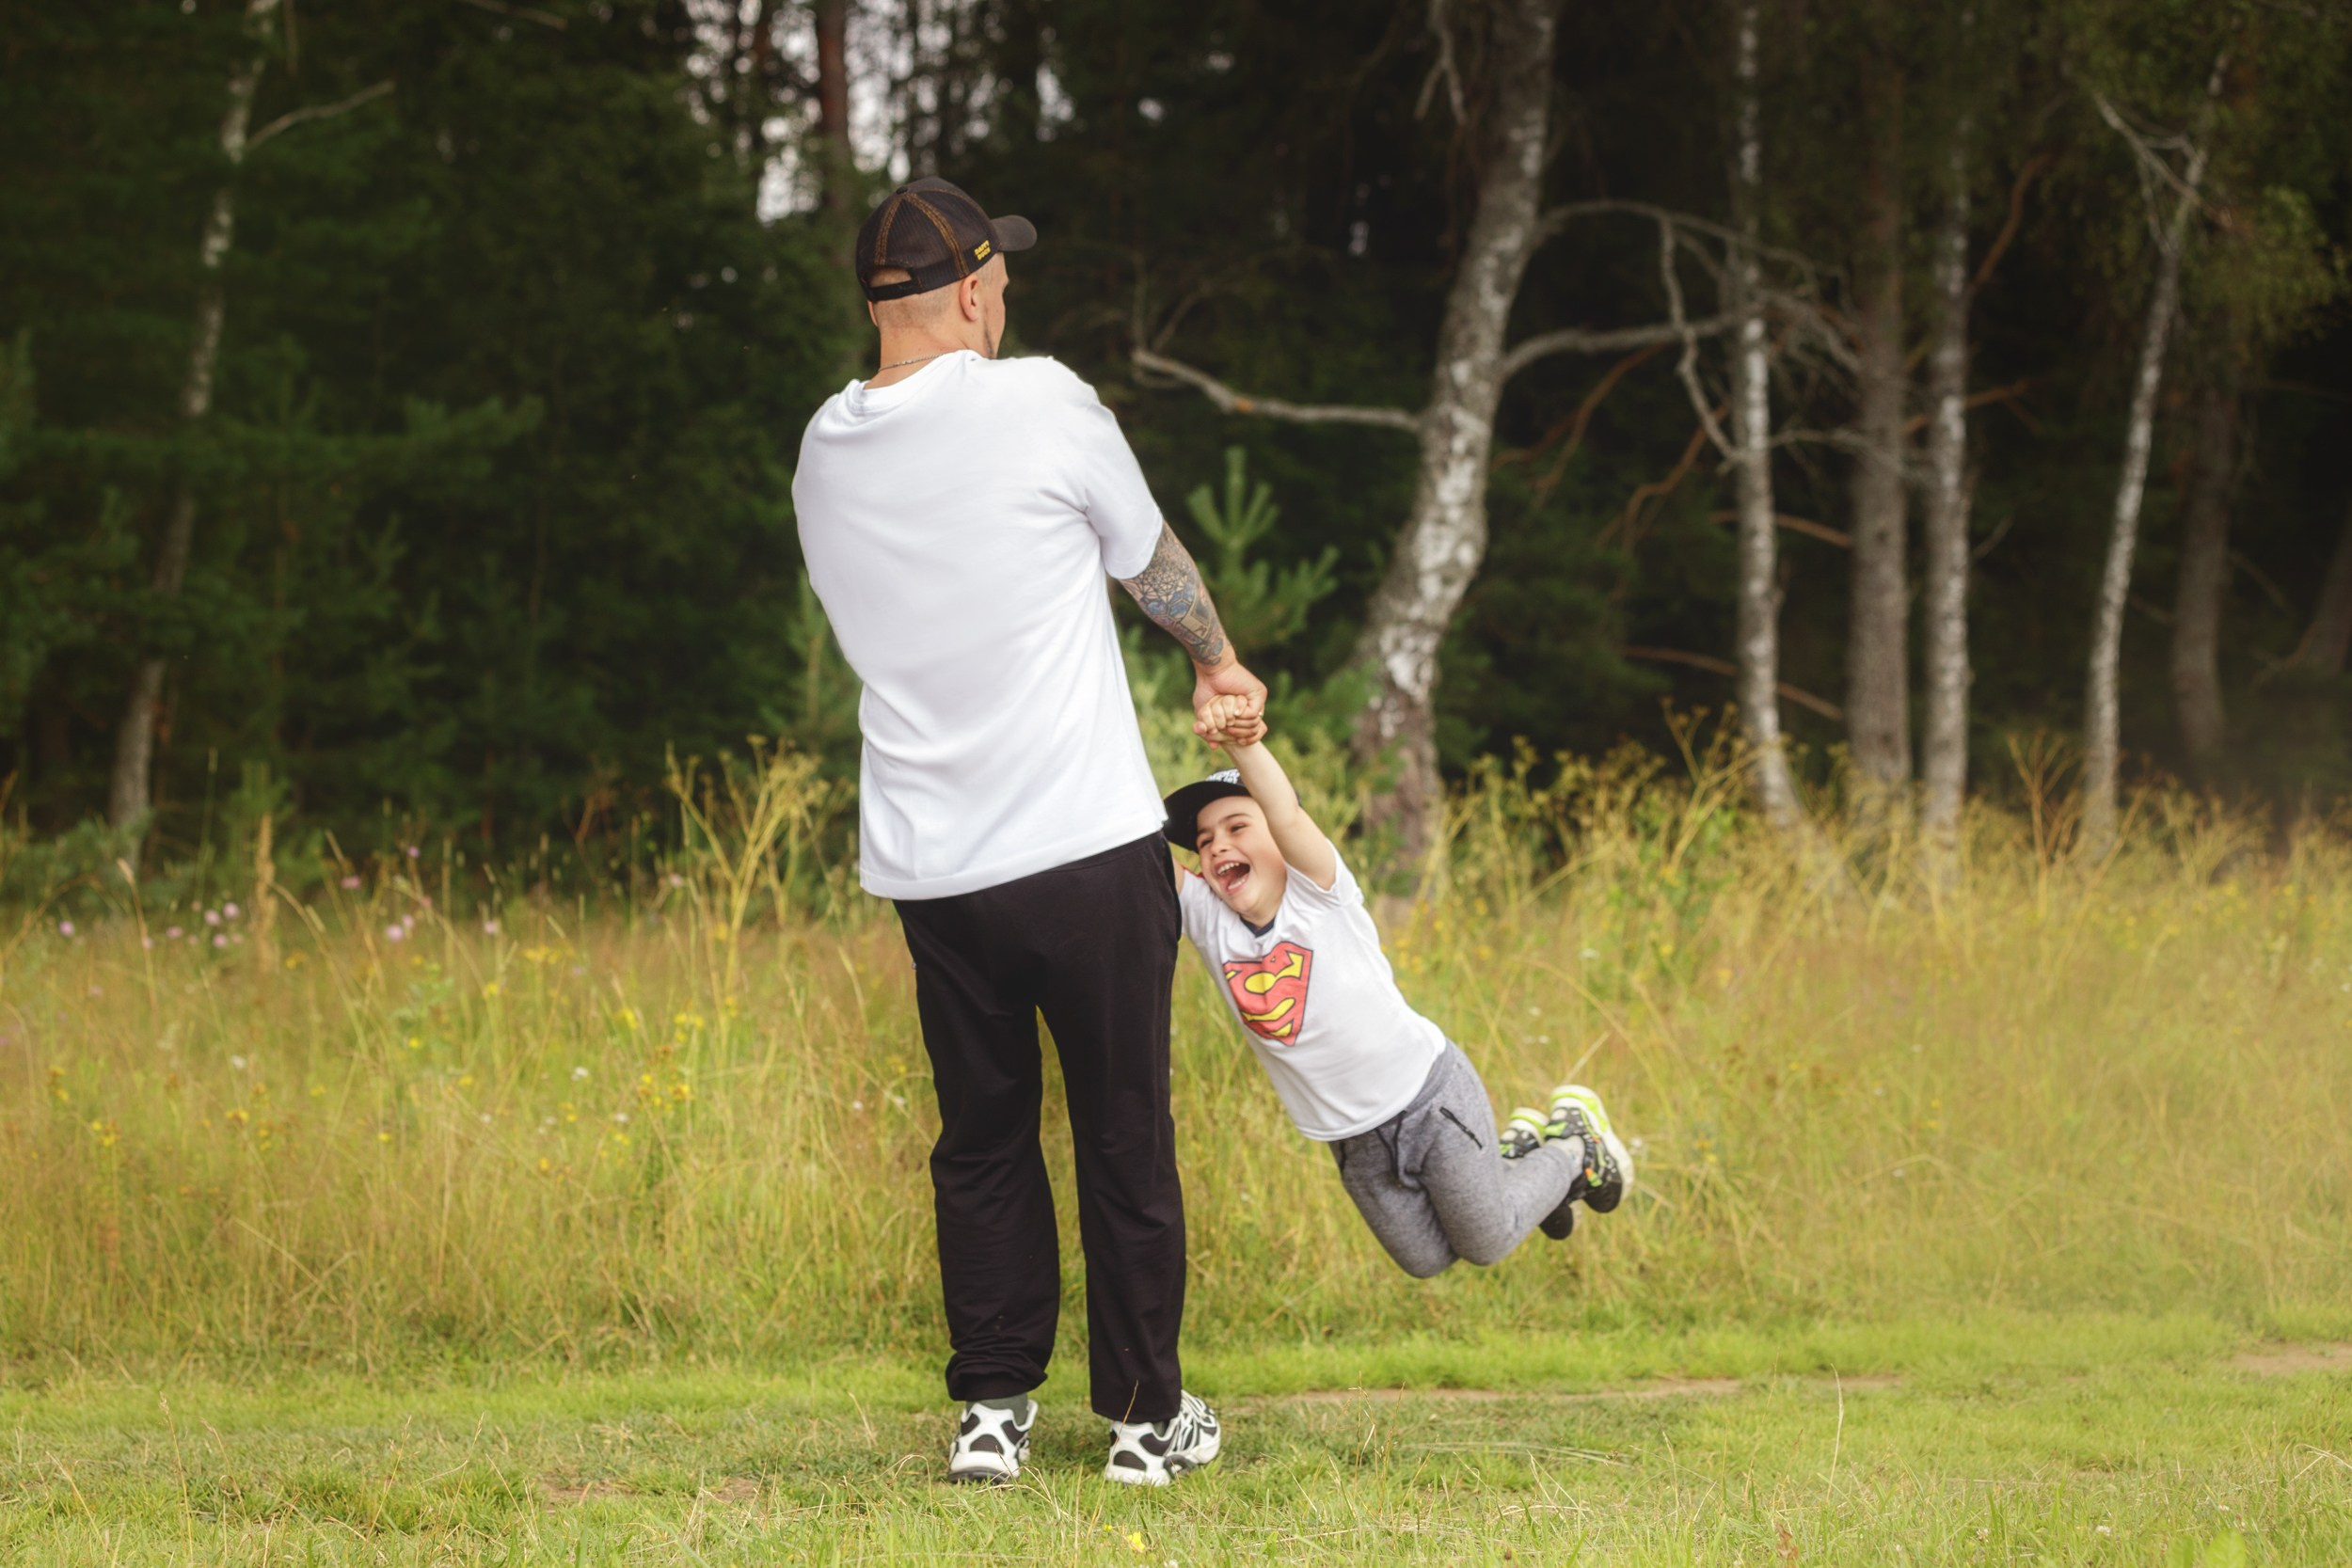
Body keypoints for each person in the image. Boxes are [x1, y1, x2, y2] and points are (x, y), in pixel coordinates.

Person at [792, 178, 1262, 1487]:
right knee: (1124, 1127)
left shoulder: (826, 446)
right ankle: (1142, 1419)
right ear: (971, 289)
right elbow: (1148, 553)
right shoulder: (1042, 398)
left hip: (937, 868)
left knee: (981, 1134)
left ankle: (992, 1410)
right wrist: (1216, 659)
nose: (1009, 303)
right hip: (1082, 842)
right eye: (1002, 283)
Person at [1168, 699, 1633, 1279]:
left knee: (1487, 1242)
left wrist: (1241, 741)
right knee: (1427, 1260)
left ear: (1283, 843)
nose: (1216, 847)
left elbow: (1284, 812)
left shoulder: (1318, 893)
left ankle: (1573, 1149)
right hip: (1352, 1140)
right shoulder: (1211, 923)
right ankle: (1514, 1155)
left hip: (1429, 1101)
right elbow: (1138, 851)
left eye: (1237, 827)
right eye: (1204, 842)